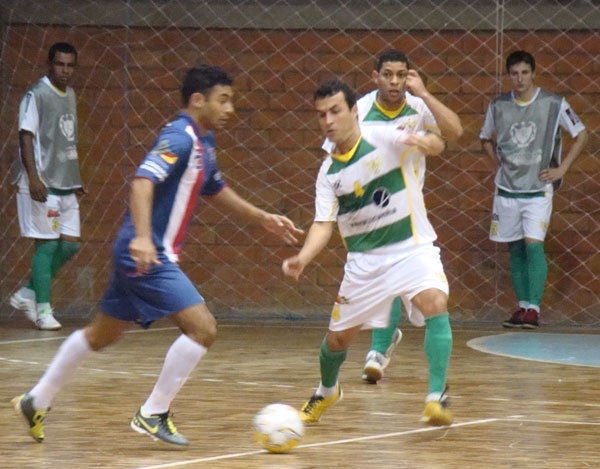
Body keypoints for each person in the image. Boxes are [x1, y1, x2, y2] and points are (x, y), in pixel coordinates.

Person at [12, 64, 303, 446]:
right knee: (203, 328)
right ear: (198, 100)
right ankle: (153, 413)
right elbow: (142, 183)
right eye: (224, 100)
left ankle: (37, 399)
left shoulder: (204, 142)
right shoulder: (179, 138)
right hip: (146, 254)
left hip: (140, 253)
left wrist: (261, 217)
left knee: (101, 334)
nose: (231, 108)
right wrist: (145, 239)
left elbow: (215, 188)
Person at [283, 80, 454, 426]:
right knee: (337, 341)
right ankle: (326, 390)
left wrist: (426, 142)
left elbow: (438, 142)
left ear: (353, 111)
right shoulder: (329, 172)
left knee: (435, 302)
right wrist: (303, 257)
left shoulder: (383, 136)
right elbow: (322, 224)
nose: (328, 120)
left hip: (412, 248)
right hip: (365, 263)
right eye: (321, 115)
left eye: (335, 111)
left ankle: (436, 397)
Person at [345, 49, 463, 383]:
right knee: (381, 285)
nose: (395, 81)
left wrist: (424, 92)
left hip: (408, 209)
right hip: (367, 210)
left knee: (402, 283)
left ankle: (379, 350)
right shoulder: (362, 110)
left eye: (401, 75)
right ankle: (383, 342)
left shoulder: (418, 106)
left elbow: (454, 132)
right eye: (387, 74)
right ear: (375, 76)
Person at [480, 50, 588, 329]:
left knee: (533, 245)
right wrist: (497, 166)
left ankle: (535, 308)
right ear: (508, 75)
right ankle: (523, 307)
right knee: (515, 248)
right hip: (507, 188)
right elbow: (485, 139)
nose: (519, 78)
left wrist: (561, 169)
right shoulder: (499, 105)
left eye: (524, 72)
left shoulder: (553, 103)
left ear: (533, 73)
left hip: (538, 188)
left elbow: (581, 134)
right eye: (514, 73)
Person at [9, 42, 83, 331]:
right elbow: (26, 136)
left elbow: (66, 142)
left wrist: (76, 178)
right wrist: (34, 178)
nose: (65, 70)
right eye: (59, 64)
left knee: (70, 244)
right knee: (48, 245)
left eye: (69, 65)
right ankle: (42, 310)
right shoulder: (36, 95)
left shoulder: (71, 94)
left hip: (66, 183)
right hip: (40, 184)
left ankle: (28, 292)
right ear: (49, 64)